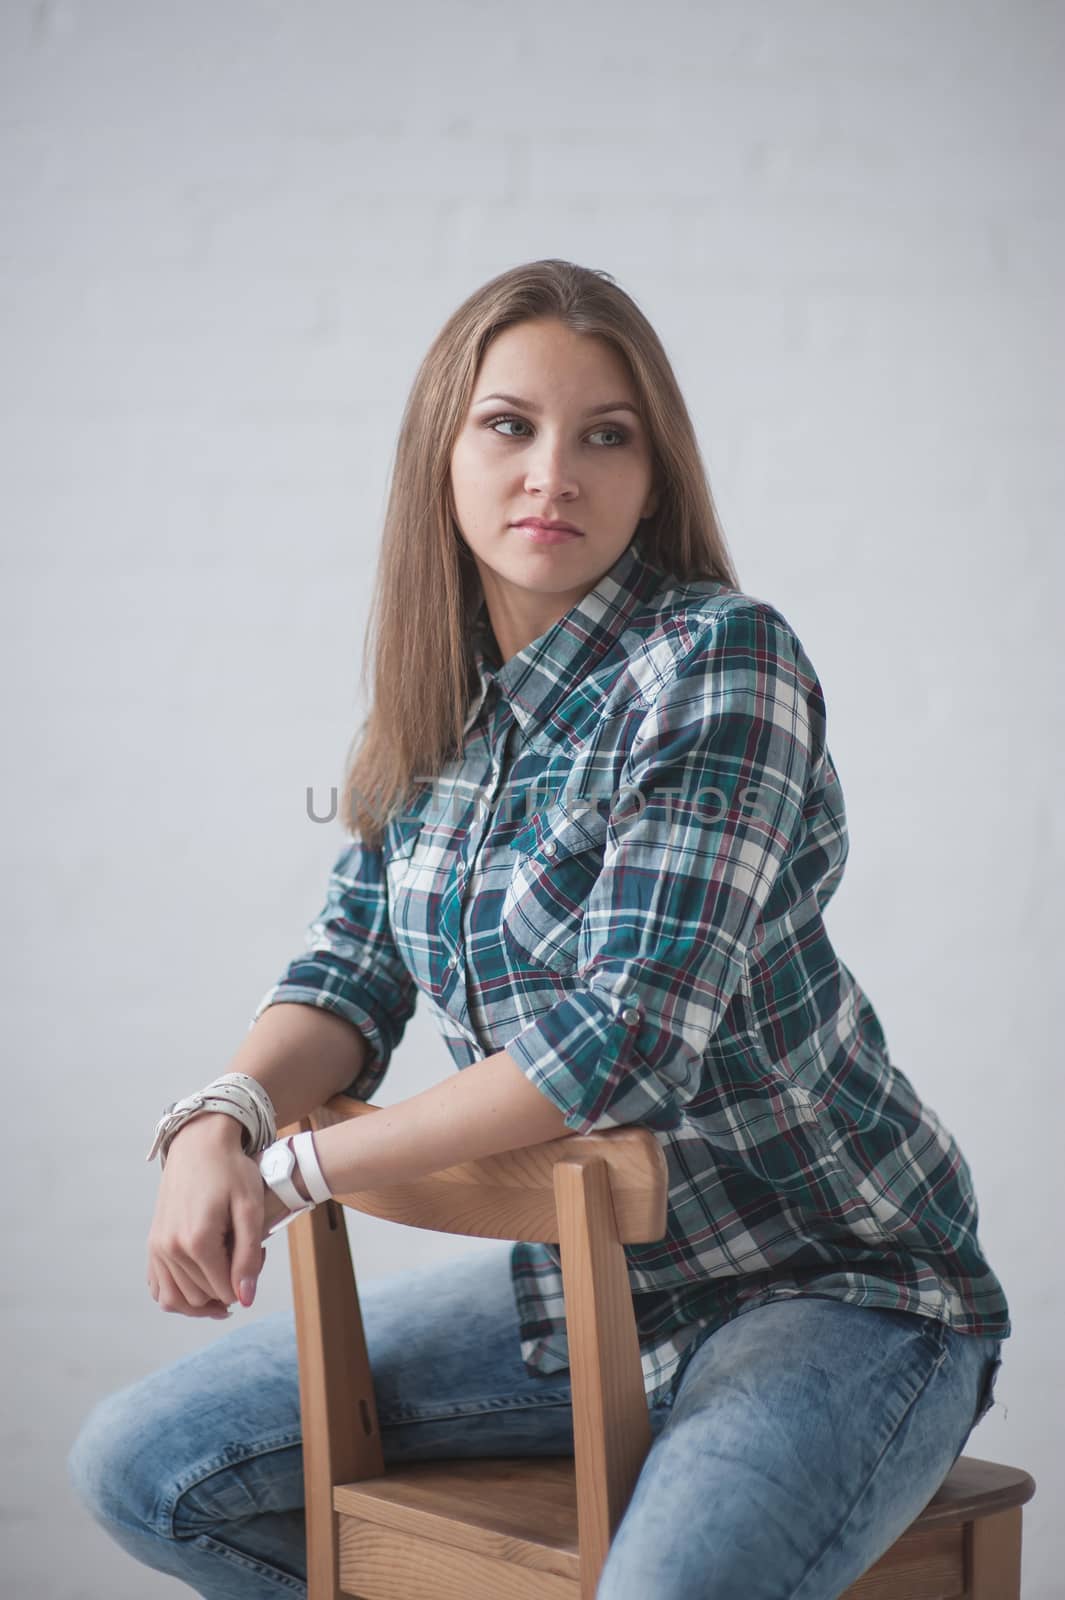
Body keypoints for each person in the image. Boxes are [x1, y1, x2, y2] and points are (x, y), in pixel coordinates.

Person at [67, 259, 1009, 1600]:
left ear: (652, 471)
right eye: (509, 425)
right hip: (589, 1289)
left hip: (830, 1287)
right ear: (440, 454)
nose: (551, 473)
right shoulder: (435, 708)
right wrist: (216, 1115)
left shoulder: (719, 663)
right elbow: (350, 971)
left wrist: (291, 1177)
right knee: (145, 1466)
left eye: (603, 436)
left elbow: (617, 1043)